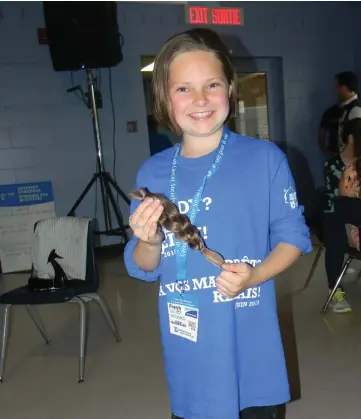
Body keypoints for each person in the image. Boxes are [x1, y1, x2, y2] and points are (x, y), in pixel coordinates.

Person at [124, 28, 312, 419]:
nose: (200, 100)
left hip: (252, 347)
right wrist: (149, 241)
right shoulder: (153, 172)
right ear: (164, 97)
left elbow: (293, 237)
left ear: (229, 87)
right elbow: (143, 266)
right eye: (183, 89)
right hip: (189, 349)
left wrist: (256, 275)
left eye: (211, 85)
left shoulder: (264, 159)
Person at [323, 118, 361, 313]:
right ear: (352, 138)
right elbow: (334, 203)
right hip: (335, 220)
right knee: (335, 226)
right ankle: (336, 289)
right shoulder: (333, 165)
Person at [318, 71, 361, 158]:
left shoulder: (357, 111)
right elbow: (321, 133)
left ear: (344, 87)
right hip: (336, 160)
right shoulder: (331, 112)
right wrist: (326, 153)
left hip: (351, 163)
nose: (336, 90)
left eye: (337, 86)